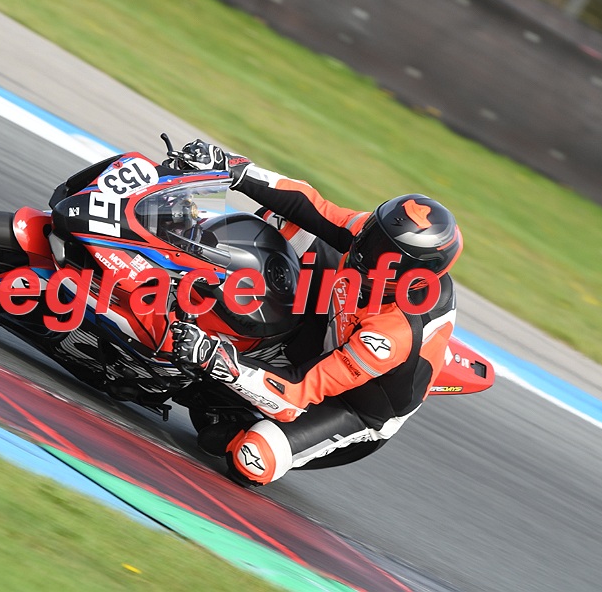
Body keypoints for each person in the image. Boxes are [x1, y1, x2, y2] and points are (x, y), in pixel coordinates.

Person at [168, 140, 463, 486]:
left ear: (416, 276)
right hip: (331, 321)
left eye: (386, 256)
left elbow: (300, 389)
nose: (366, 252)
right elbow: (311, 205)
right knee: (284, 222)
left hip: (351, 403)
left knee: (253, 458)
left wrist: (218, 359)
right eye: (373, 238)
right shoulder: (376, 239)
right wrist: (233, 168)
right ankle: (183, 262)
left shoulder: (392, 335)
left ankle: (243, 416)